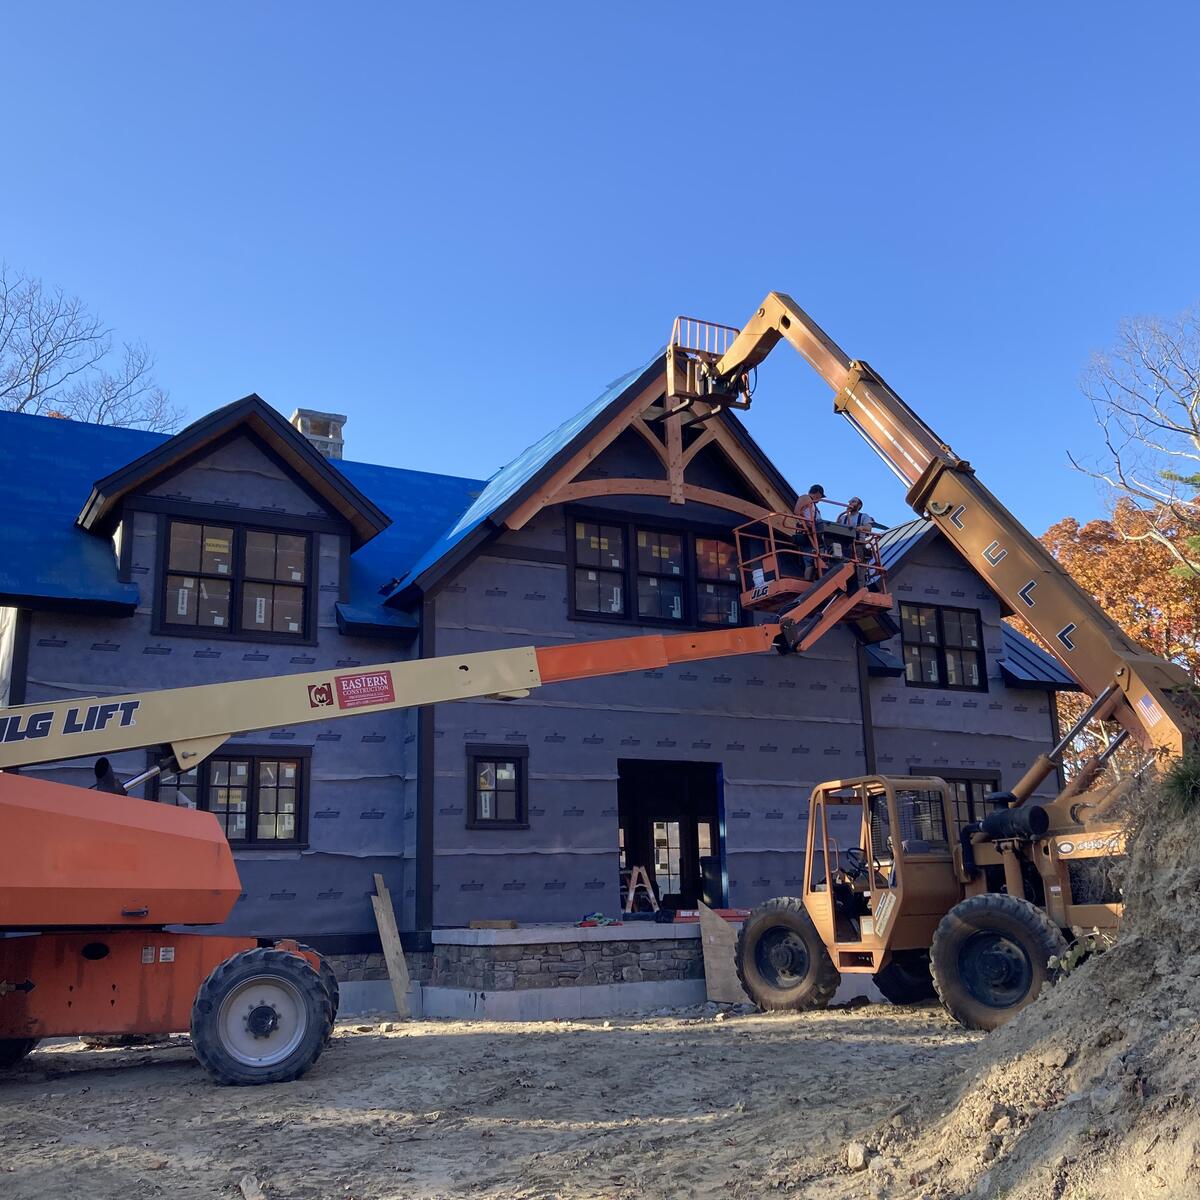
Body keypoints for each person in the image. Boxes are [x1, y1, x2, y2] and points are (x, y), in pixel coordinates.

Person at [792, 484, 825, 579]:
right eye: (821, 497)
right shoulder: (806, 498)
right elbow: (797, 511)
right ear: (818, 493)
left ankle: (816, 577)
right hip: (808, 533)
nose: (820, 500)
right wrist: (807, 525)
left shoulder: (813, 504)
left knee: (818, 557)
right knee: (809, 559)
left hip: (815, 533)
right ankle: (808, 581)